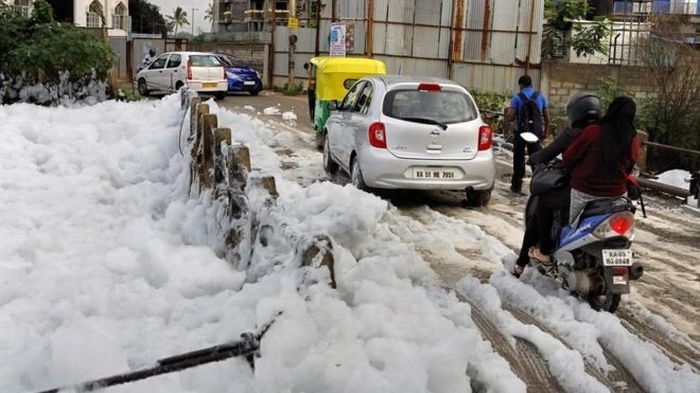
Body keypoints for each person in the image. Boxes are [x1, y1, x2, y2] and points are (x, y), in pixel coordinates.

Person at [512, 93, 602, 277]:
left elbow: (551, 152)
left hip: (582, 187)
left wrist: (535, 157)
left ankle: (541, 253)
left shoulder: (575, 133)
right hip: (610, 191)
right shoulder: (606, 132)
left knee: (543, 202)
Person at [564, 96, 640, 227]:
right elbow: (630, 167)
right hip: (617, 195)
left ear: (611, 110)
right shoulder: (632, 140)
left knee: (574, 227)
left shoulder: (592, 132)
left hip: (584, 193)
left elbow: (569, 157)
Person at [506, 75, 551, 194]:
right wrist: (546, 130)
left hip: (521, 133)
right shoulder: (540, 96)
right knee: (536, 158)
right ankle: (538, 185)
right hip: (536, 133)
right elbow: (547, 117)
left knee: (518, 158)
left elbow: (510, 117)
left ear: (521, 85)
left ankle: (516, 186)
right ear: (531, 84)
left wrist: (510, 113)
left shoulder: (517, 97)